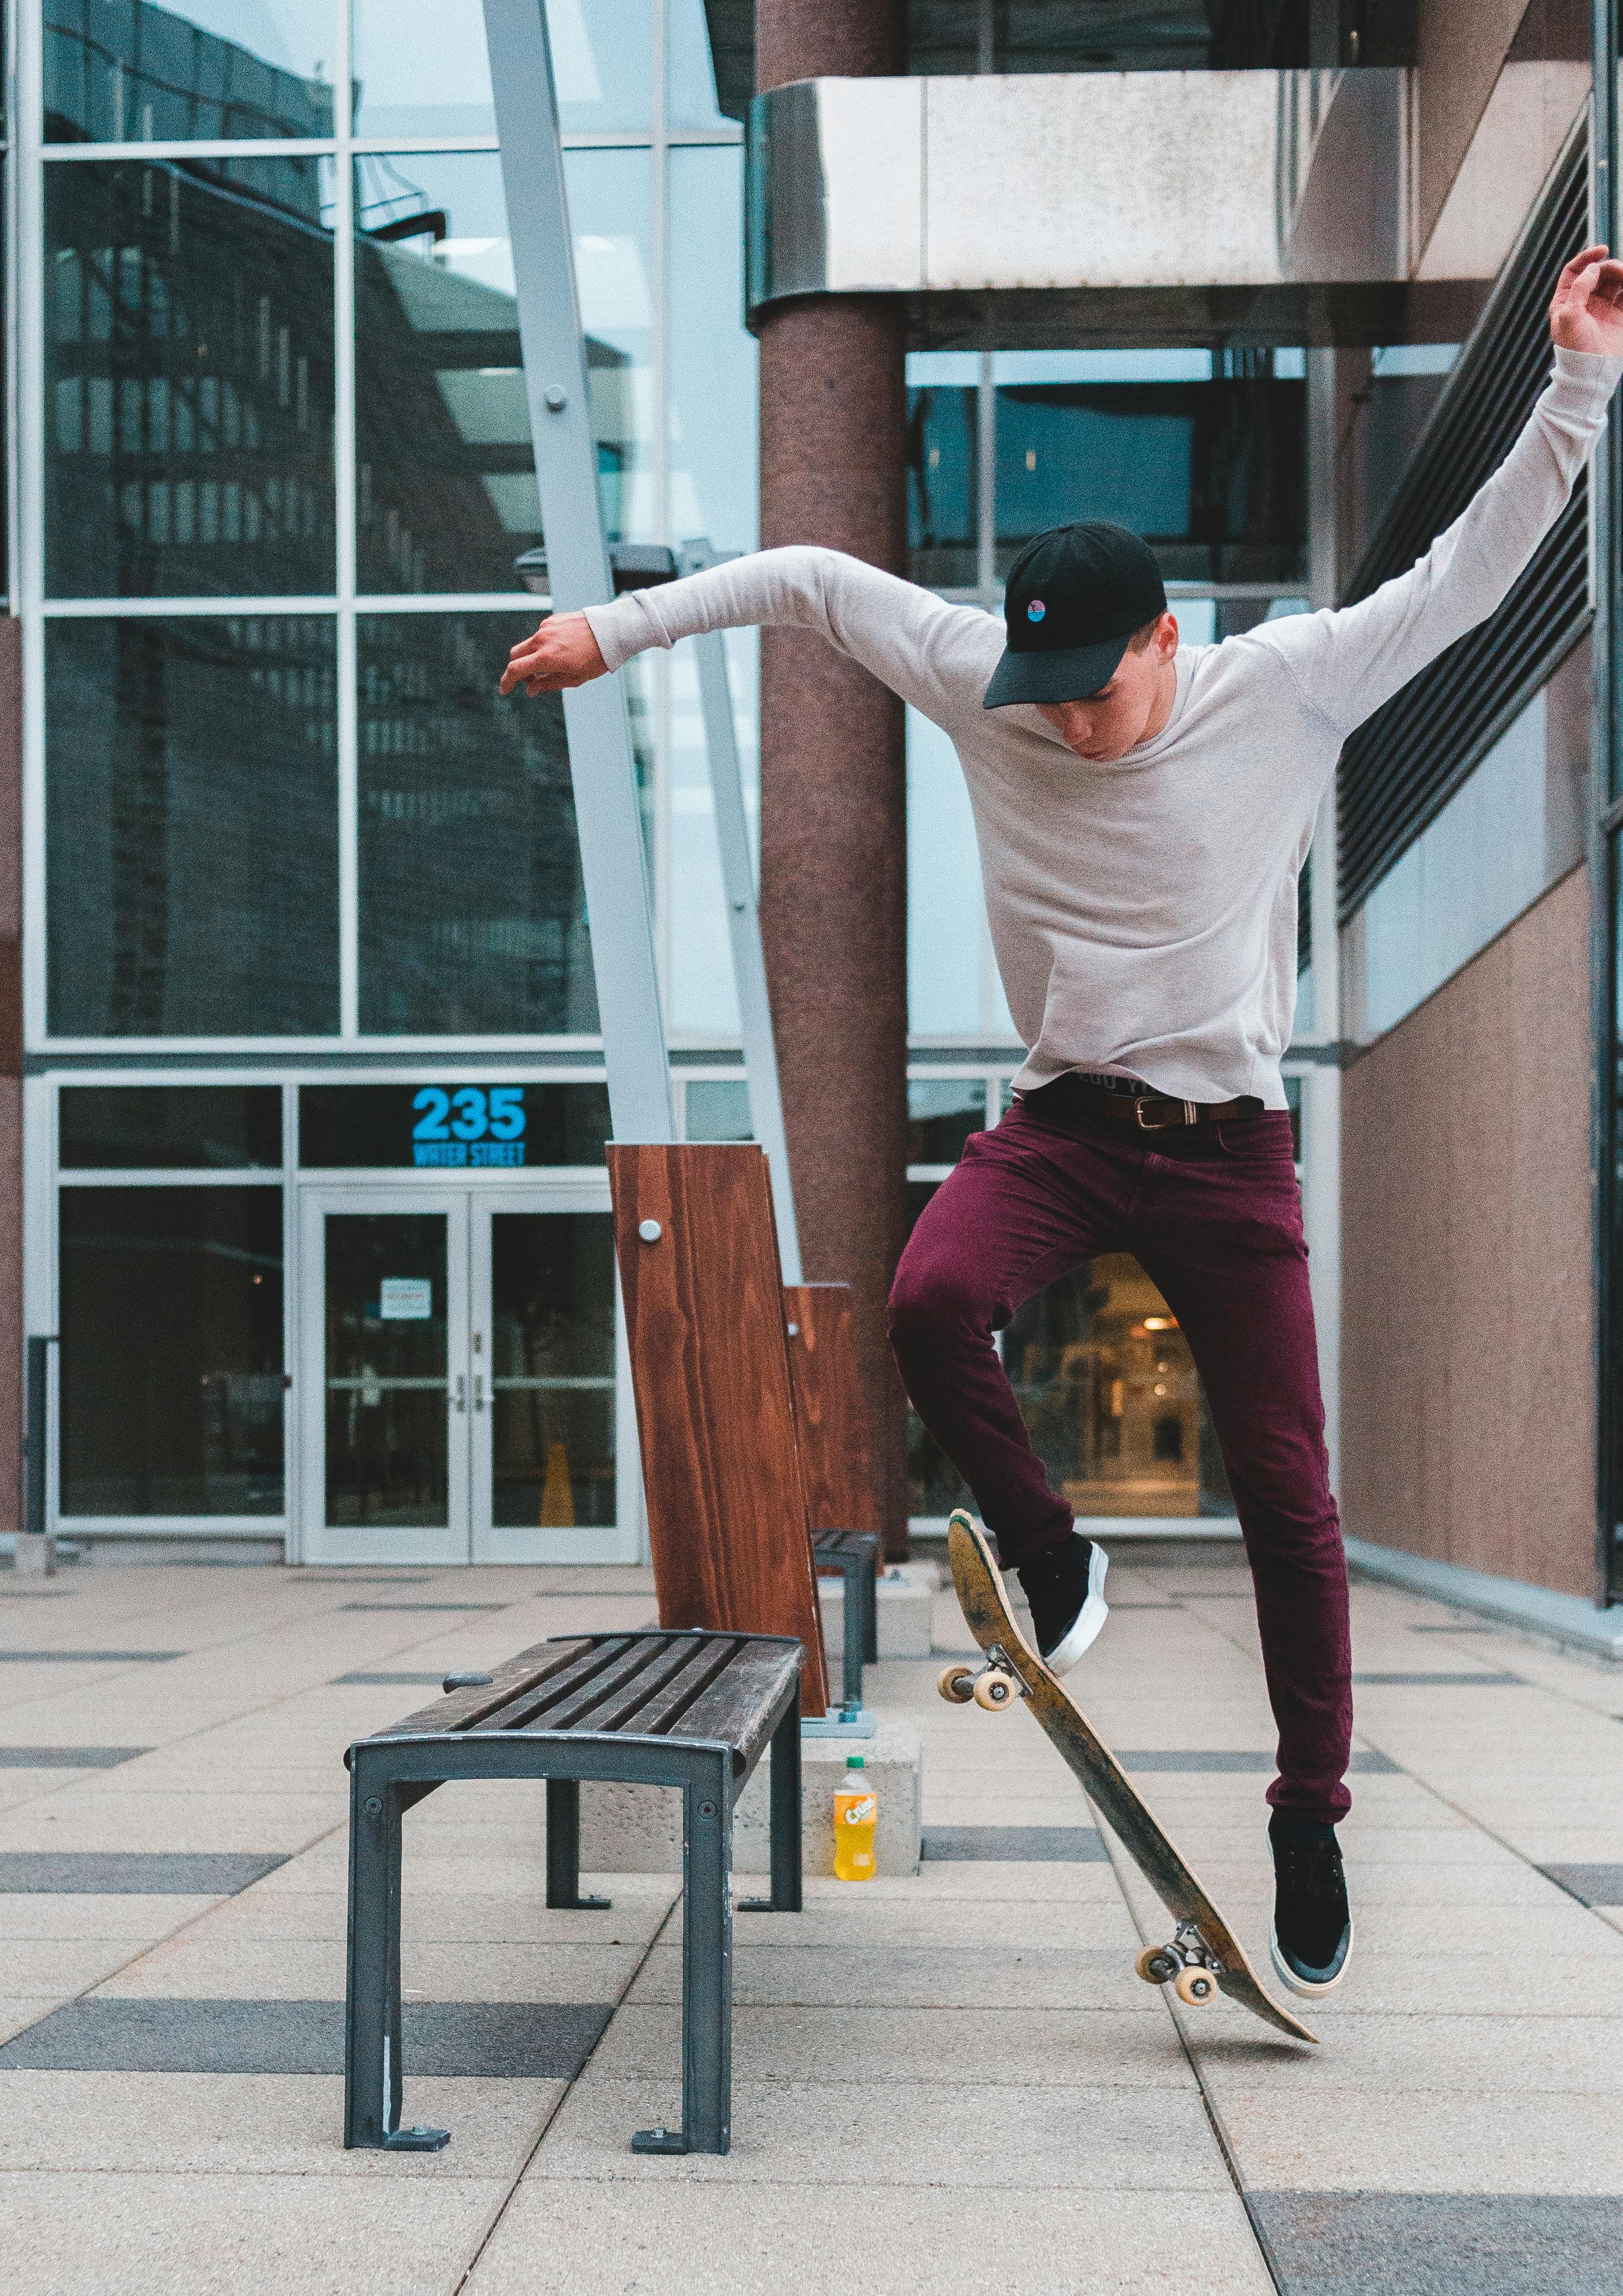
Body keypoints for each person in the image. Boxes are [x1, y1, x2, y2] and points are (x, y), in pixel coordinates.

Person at [500, 248, 1623, 1999]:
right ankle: (1049, 1546)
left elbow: (1470, 576)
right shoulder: (975, 669)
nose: (1076, 724)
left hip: (1232, 1145)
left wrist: (1575, 386)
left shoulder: (1294, 680)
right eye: (1054, 693)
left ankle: (1309, 1814)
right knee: (933, 1301)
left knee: (1289, 1496)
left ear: (1169, 641)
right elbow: (802, 578)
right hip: (1060, 1124)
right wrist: (613, 632)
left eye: (1104, 689)